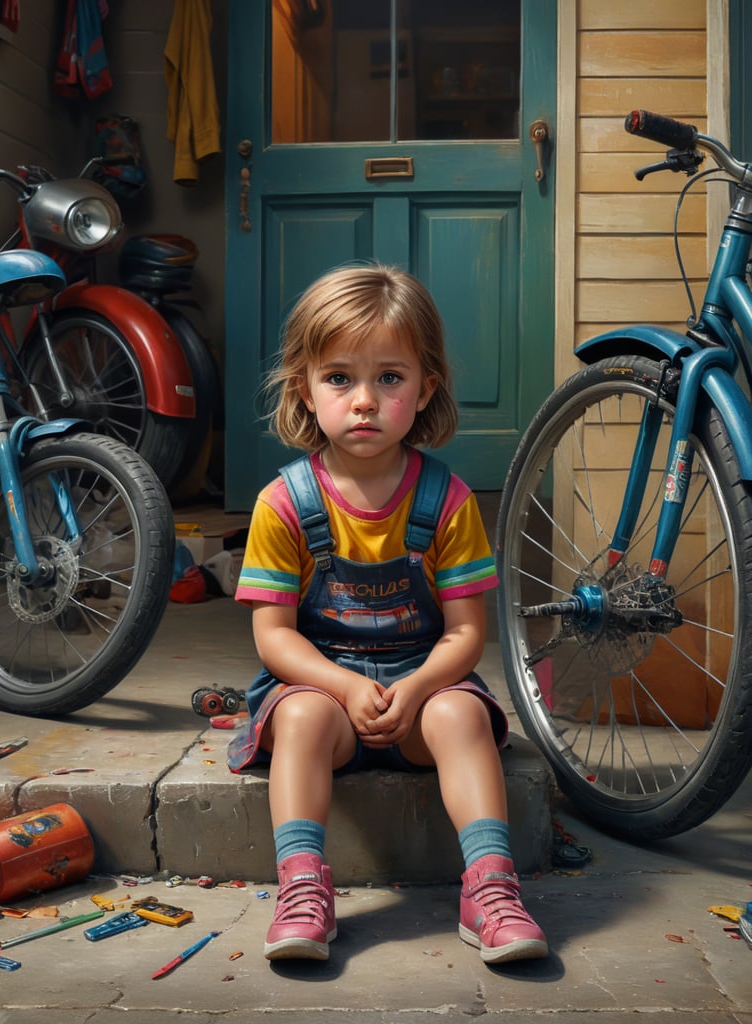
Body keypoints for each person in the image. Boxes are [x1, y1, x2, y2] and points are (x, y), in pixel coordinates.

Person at [228, 263, 548, 965]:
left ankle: (490, 887)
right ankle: (303, 887)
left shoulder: (448, 501)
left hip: (423, 685)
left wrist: (416, 687)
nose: (364, 401)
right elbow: (273, 636)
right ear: (304, 390)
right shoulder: (282, 505)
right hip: (323, 690)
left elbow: (466, 633)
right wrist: (343, 686)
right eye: (339, 377)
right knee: (301, 715)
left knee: (461, 715)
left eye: (390, 378)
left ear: (425, 387)